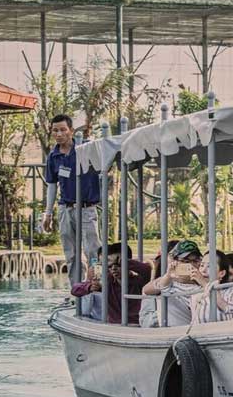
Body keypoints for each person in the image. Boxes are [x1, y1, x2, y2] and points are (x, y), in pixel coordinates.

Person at [41, 114, 102, 284]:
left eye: (62, 130)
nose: (59, 134)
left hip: (86, 208)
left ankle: (97, 284)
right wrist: (48, 213)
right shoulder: (53, 157)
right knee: (71, 253)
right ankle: (76, 289)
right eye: (55, 130)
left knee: (93, 250)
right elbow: (52, 185)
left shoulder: (85, 149)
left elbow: (102, 167)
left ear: (71, 131)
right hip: (65, 209)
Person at [70, 242, 152, 325]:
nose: (114, 268)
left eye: (118, 264)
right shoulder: (107, 281)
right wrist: (90, 287)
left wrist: (123, 261)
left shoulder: (139, 281)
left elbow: (147, 269)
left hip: (136, 325)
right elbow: (75, 289)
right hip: (113, 327)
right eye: (109, 265)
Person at [142, 240, 206, 327]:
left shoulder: (203, 279)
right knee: (165, 297)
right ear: (175, 261)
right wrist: (168, 276)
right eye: (185, 261)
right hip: (171, 326)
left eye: (195, 261)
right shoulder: (168, 280)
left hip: (197, 325)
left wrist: (202, 282)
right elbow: (146, 290)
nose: (191, 265)